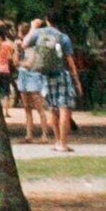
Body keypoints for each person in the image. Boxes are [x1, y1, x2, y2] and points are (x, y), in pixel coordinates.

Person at [29, 15, 78, 153]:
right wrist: (76, 79)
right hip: (61, 75)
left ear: (47, 20)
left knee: (53, 110)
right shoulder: (63, 37)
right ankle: (63, 143)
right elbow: (69, 60)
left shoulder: (39, 34)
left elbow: (25, 43)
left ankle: (57, 141)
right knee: (64, 109)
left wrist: (33, 27)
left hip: (46, 76)